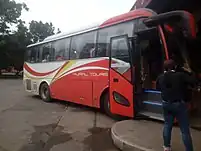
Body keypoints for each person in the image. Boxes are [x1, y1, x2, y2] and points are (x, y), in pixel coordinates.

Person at [156, 59, 195, 151]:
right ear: (175, 67)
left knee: (167, 125)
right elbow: (193, 81)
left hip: (166, 104)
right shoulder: (180, 76)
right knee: (184, 130)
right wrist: (189, 71)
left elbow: (158, 88)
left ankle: (166, 147)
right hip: (179, 105)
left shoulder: (160, 77)